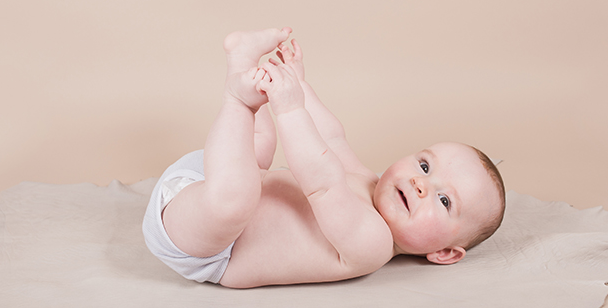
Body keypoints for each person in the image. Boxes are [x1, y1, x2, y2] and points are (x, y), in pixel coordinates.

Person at [143, 28, 505, 288]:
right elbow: (331, 136)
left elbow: (323, 184)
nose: (421, 184)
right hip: (211, 181)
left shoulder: (374, 244)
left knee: (236, 197)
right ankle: (241, 63)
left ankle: (236, 97)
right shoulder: (366, 179)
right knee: (260, 146)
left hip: (206, 244)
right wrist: (300, 84)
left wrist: (289, 109)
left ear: (444, 253)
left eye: (444, 200)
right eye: (425, 166)